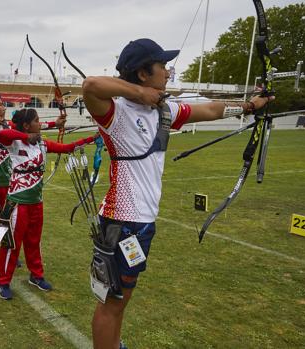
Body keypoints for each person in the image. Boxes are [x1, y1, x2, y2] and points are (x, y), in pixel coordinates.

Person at [81, 38, 273, 349]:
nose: (169, 71)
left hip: (141, 222)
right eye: (162, 66)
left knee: (120, 301)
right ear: (144, 74)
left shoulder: (164, 110)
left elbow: (211, 109)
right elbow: (91, 84)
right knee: (112, 303)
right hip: (123, 220)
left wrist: (251, 105)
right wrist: (140, 94)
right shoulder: (115, 112)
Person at [0, 108, 96, 300]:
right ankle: (3, 281)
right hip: (18, 203)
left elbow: (67, 148)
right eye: (37, 121)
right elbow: (3, 133)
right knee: (12, 244)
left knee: (34, 241)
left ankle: (36, 275)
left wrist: (92, 138)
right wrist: (26, 137)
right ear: (27, 125)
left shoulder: (41, 143)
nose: (40, 124)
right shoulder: (14, 143)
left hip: (36, 203)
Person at [0, 91, 65, 273]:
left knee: (8, 225)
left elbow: (30, 127)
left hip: (12, 187)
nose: (4, 107)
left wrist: (54, 124)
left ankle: (10, 254)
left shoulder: (8, 126)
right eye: (1, 104)